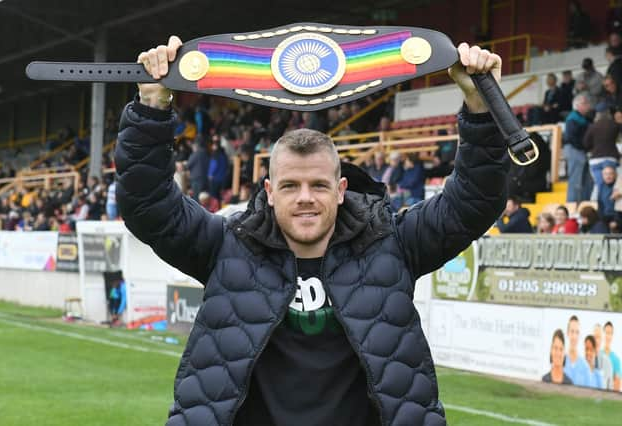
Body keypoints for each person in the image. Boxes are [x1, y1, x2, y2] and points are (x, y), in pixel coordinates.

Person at [119, 36, 509, 426]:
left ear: (341, 190)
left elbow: (472, 202)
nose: (305, 197)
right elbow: (149, 206)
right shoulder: (227, 246)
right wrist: (152, 107)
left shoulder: (392, 243)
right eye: (290, 186)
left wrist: (480, 107)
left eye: (318, 185)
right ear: (269, 192)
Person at [563, 94, 593, 202]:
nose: (588, 106)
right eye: (585, 103)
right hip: (575, 150)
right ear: (577, 105)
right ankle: (571, 205)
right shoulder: (573, 118)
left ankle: (585, 204)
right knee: (575, 180)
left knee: (586, 181)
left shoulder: (582, 118)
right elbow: (572, 137)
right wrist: (584, 146)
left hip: (579, 150)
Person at [583, 104, 619, 192]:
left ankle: (601, 205)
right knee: (611, 185)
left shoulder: (593, 126)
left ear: (597, 114)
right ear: (609, 113)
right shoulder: (614, 125)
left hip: (596, 159)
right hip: (611, 158)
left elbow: (585, 143)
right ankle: (609, 205)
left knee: (600, 185)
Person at [564, 315, 590, 387]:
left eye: (577, 332)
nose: (574, 336)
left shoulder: (585, 366)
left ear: (580, 335)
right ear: (567, 333)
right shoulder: (560, 362)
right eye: (572, 331)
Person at [598, 166, 622, 232]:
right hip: (605, 218)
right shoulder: (601, 187)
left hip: (618, 217)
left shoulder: (618, 186)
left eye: (610, 174)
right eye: (606, 174)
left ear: (615, 175)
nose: (608, 176)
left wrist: (616, 221)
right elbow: (600, 205)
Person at [593, 323, 614, 390]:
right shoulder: (585, 361)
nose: (596, 341)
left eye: (598, 337)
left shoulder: (607, 362)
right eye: (594, 337)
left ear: (602, 339)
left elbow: (610, 388)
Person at [603, 321, 622, 391]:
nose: (608, 336)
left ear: (612, 336)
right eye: (606, 333)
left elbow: (617, 385)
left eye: (610, 333)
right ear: (603, 334)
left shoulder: (616, 359)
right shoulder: (597, 356)